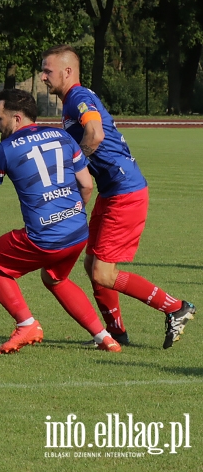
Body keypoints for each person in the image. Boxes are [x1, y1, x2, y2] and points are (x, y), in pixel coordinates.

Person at [41, 45, 195, 349]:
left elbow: (95, 134)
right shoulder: (72, 100)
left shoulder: (79, 98)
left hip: (126, 192)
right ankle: (115, 333)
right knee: (92, 266)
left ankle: (176, 307)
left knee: (103, 272)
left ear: (67, 71)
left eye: (47, 70)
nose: (42, 76)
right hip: (112, 191)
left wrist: (77, 166)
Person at [0, 89, 122, 354]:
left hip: (44, 238)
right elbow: (87, 185)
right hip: (78, 231)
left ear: (16, 118)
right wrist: (70, 215)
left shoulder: (5, 150)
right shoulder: (64, 137)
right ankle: (104, 337)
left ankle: (27, 324)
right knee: (55, 278)